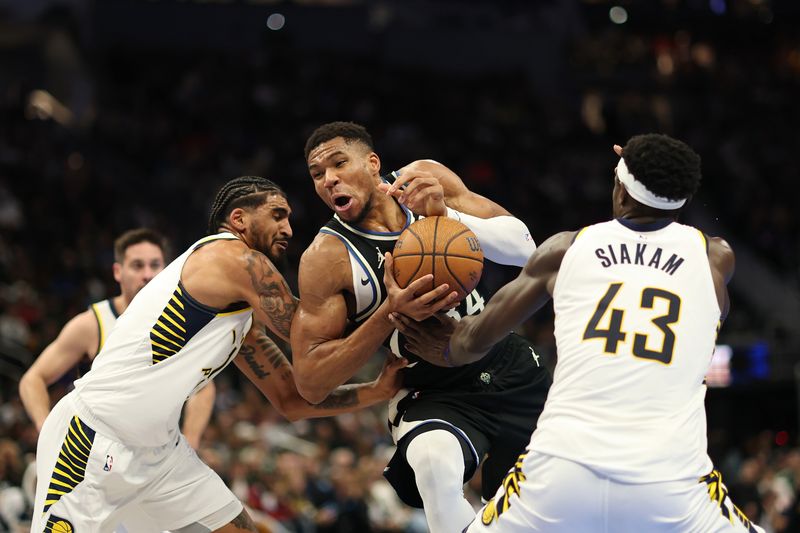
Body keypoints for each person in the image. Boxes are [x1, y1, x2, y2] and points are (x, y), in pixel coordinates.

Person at [30, 176, 407, 533]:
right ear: (238, 219)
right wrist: (391, 307)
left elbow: (293, 400)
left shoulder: (241, 318)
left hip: (160, 455)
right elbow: (313, 336)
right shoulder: (233, 257)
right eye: (277, 214)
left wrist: (376, 390)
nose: (289, 229)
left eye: (290, 218)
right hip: (92, 438)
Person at [445, 134, 764, 532]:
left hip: (562, 470)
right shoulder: (716, 257)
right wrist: (635, 168)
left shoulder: (565, 250)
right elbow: (665, 187)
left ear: (621, 191)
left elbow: (467, 344)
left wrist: (430, 324)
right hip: (667, 480)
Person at [292, 121, 551, 533]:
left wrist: (447, 215)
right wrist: (386, 314)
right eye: (318, 174)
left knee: (541, 510)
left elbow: (526, 251)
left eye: (339, 164)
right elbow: (309, 382)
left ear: (373, 163)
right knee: (434, 465)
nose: (329, 179)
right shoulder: (327, 257)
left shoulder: (424, 179)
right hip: (429, 389)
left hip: (504, 362)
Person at [19, 228, 216, 450]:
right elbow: (32, 379)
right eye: (137, 265)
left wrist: (191, 439)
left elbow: (203, 386)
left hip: (155, 454)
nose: (148, 274)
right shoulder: (92, 324)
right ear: (117, 272)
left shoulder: (179, 322)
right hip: (97, 454)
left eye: (155, 265)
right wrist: (47, 431)